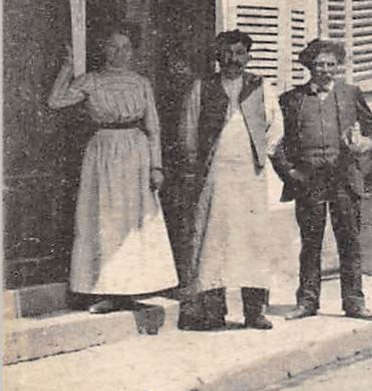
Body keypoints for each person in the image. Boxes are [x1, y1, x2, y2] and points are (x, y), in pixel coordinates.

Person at [47, 24, 179, 313]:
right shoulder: (91, 81)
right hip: (103, 153)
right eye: (112, 47)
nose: (119, 53)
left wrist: (157, 166)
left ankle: (131, 289)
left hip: (137, 153)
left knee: (134, 221)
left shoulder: (141, 83)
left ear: (133, 51)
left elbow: (154, 128)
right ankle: (105, 291)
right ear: (102, 49)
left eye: (126, 47)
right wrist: (68, 68)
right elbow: (55, 101)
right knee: (104, 220)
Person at [175, 31, 281, 331]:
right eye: (227, 53)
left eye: (239, 53)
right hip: (216, 172)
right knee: (215, 240)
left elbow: (276, 126)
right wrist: (197, 162)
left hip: (251, 174)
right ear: (218, 56)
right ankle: (213, 311)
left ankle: (254, 311)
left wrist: (262, 153)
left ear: (248, 56)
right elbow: (189, 128)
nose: (233, 59)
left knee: (252, 240)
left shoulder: (261, 87)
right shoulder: (203, 87)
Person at [273, 40, 372, 322]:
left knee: (349, 241)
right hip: (308, 181)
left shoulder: (350, 94)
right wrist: (291, 174)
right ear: (309, 66)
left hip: (344, 179)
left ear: (338, 67)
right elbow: (277, 143)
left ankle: (354, 303)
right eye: (320, 64)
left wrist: (365, 144)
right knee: (310, 243)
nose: (325, 70)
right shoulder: (292, 99)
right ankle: (307, 302)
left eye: (331, 65)